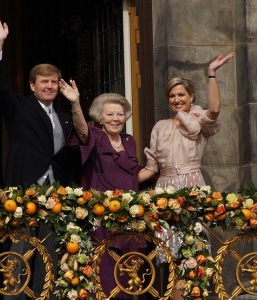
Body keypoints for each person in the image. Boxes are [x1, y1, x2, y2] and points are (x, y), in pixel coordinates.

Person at [0, 10, 82, 300]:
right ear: (32, 85)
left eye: (54, 82)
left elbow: (80, 143)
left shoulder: (64, 117)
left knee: (51, 252)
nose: (50, 86)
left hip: (57, 193)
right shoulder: (19, 108)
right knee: (20, 251)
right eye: (44, 82)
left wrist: (76, 104)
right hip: (25, 190)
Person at [138, 52, 235, 299]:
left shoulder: (199, 118)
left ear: (191, 96)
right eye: (172, 95)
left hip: (191, 186)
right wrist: (117, 183)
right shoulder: (159, 126)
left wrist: (211, 73)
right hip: (164, 190)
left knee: (192, 255)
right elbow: (151, 168)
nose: (176, 99)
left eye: (181, 94)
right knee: (169, 257)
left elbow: (215, 109)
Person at [60, 90, 147, 299]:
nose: (116, 119)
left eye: (119, 114)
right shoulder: (96, 136)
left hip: (128, 217)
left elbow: (132, 176)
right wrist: (76, 103)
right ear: (100, 117)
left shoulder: (129, 141)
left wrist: (155, 165)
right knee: (104, 272)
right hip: (102, 217)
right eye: (110, 114)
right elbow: (81, 130)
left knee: (127, 272)